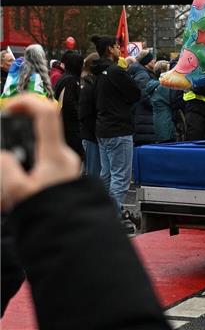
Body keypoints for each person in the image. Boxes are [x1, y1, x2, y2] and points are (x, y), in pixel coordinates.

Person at [0, 94, 168, 328]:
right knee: (116, 175)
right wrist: (60, 207)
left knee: (108, 174)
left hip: (96, 134)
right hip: (102, 136)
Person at [89, 35, 141, 220]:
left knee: (107, 175)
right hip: (119, 129)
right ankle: (113, 218)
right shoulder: (115, 72)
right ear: (110, 49)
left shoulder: (97, 73)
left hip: (103, 128)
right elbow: (135, 93)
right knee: (120, 177)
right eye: (117, 46)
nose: (120, 49)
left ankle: (104, 214)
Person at [53, 50, 84, 158]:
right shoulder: (70, 80)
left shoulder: (64, 77)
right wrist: (80, 116)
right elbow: (69, 104)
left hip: (64, 127)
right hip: (70, 130)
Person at [77, 53, 101, 178]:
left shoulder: (91, 83)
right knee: (93, 173)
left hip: (93, 134)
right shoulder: (88, 86)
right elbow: (84, 113)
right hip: (91, 136)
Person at [149, 61, 182, 143]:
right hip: (167, 125)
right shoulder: (163, 86)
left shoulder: (155, 85)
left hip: (161, 123)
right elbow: (176, 101)